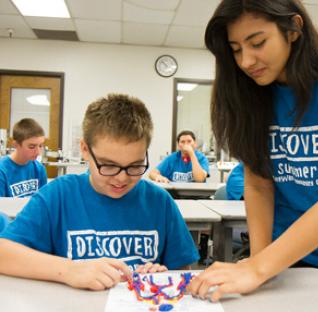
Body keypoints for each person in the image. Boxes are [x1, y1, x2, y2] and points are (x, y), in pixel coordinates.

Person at [189, 0, 318, 301]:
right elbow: (258, 183)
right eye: (236, 49)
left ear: (293, 29)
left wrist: (257, 269)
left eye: (257, 43)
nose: (246, 61)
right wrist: (260, 260)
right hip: (283, 253)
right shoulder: (250, 93)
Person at [0, 94, 199, 290]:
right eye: (109, 165)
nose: (121, 178)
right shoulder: (58, 196)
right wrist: (69, 270)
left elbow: (182, 270)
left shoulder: (159, 202)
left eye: (135, 165)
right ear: (85, 149)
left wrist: (162, 277)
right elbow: (4, 253)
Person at [0, 118, 47, 198]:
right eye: (32, 147)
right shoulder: (2, 170)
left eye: (40, 146)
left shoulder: (39, 169)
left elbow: (44, 203)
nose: (38, 152)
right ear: (16, 145)